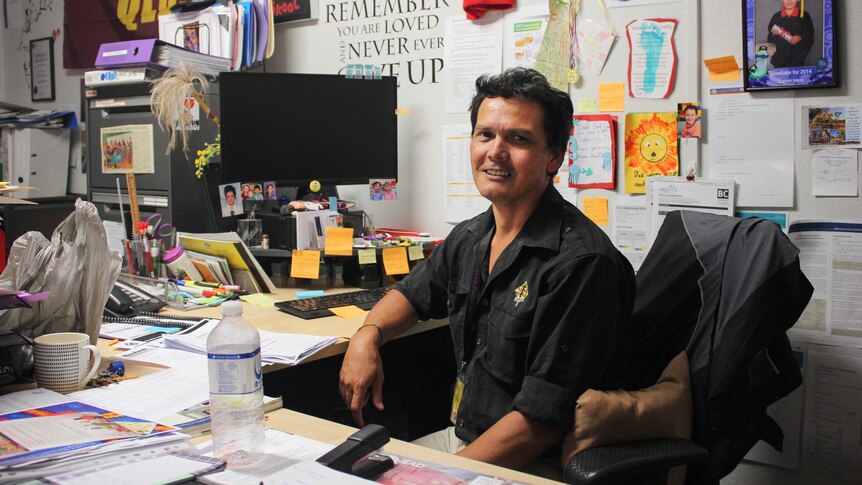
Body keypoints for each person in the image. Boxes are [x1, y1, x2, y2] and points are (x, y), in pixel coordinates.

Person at [339, 68, 635, 479]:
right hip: (466, 437)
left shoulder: (582, 264)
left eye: (518, 138)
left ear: (554, 157)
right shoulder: (473, 234)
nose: (495, 151)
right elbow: (411, 294)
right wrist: (367, 335)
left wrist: (442, 476)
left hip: (533, 462)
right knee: (341, 472)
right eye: (485, 135)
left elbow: (540, 422)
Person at [766, 0, 814, 68]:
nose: (789, 1)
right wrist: (774, 34)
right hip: (779, 61)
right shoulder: (776, 17)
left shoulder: (804, 16)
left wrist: (799, 38)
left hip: (797, 61)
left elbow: (809, 36)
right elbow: (769, 39)